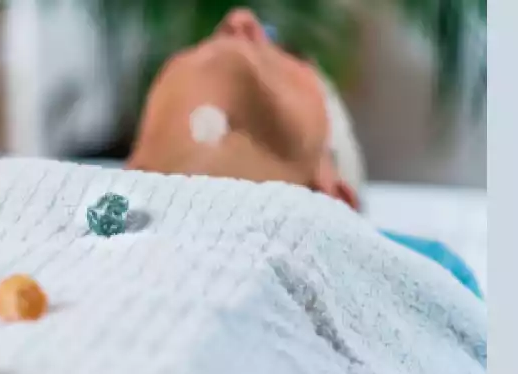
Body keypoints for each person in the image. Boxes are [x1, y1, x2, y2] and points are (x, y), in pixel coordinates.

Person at [124, 8, 482, 298]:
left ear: (335, 196)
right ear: (132, 170)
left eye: (283, 53)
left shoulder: (431, 278)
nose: (238, 20)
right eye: (202, 50)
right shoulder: (90, 216)